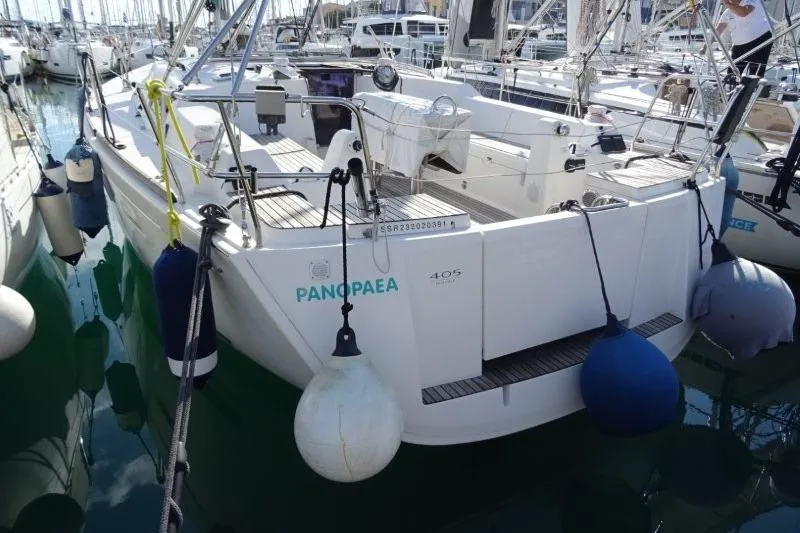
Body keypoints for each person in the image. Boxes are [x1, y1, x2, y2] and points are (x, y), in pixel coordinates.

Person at [699, 0, 773, 77]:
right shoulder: (727, 13)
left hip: (760, 40)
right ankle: (733, 87)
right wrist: (704, 47)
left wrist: (727, 4)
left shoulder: (752, 1)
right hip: (739, 45)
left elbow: (744, 12)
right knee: (732, 73)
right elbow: (716, 32)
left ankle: (754, 86)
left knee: (755, 73)